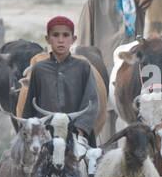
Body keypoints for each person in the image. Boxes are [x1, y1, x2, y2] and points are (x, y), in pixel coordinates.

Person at [16, 16, 102, 145]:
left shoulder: (83, 67)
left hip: (75, 135)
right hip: (44, 135)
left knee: (90, 163)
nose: (61, 40)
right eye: (56, 35)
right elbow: (29, 107)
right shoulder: (39, 69)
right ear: (48, 39)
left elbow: (92, 101)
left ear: (73, 39)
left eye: (66, 35)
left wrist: (80, 130)